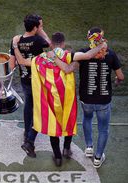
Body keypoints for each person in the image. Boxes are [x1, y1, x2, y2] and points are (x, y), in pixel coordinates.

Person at [13, 32, 107, 166]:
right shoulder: (66, 55)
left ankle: (57, 158)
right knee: (68, 123)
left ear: (51, 43)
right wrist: (101, 46)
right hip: (66, 98)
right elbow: (88, 55)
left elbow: (21, 61)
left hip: (50, 100)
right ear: (63, 43)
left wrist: (15, 46)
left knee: (53, 128)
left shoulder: (40, 58)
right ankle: (67, 149)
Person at [53, 27, 124, 168]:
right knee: (103, 129)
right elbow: (120, 76)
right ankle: (98, 158)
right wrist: (116, 81)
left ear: (89, 37)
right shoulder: (111, 54)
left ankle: (89, 147)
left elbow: (68, 69)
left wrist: (55, 59)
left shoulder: (83, 53)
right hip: (104, 100)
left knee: (87, 119)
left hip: (86, 99)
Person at [9, 14, 50, 146]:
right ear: (35, 27)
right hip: (39, 79)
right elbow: (48, 42)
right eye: (40, 26)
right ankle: (32, 134)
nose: (42, 28)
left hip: (25, 79)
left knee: (29, 104)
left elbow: (11, 64)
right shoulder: (38, 40)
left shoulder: (16, 41)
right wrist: (41, 30)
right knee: (39, 107)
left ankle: (27, 132)